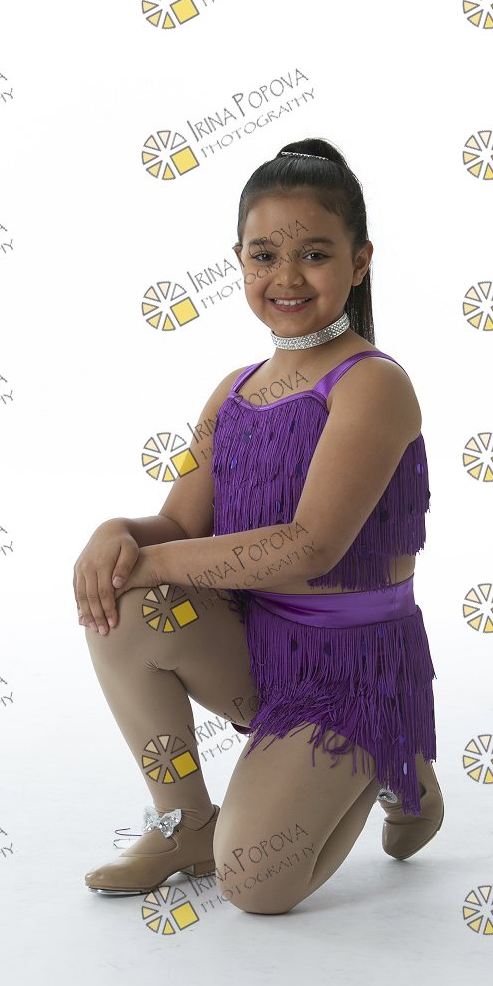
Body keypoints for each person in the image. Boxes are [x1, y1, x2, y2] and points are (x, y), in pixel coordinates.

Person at [72, 137, 444, 916]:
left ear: (360, 261)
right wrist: (119, 532)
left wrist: (157, 560)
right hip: (258, 648)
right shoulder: (234, 391)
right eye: (264, 255)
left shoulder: (372, 385)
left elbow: (311, 547)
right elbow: (177, 522)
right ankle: (184, 822)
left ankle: (388, 735)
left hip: (350, 669)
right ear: (238, 261)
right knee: (123, 603)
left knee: (255, 884)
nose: (287, 277)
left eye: (315, 254)